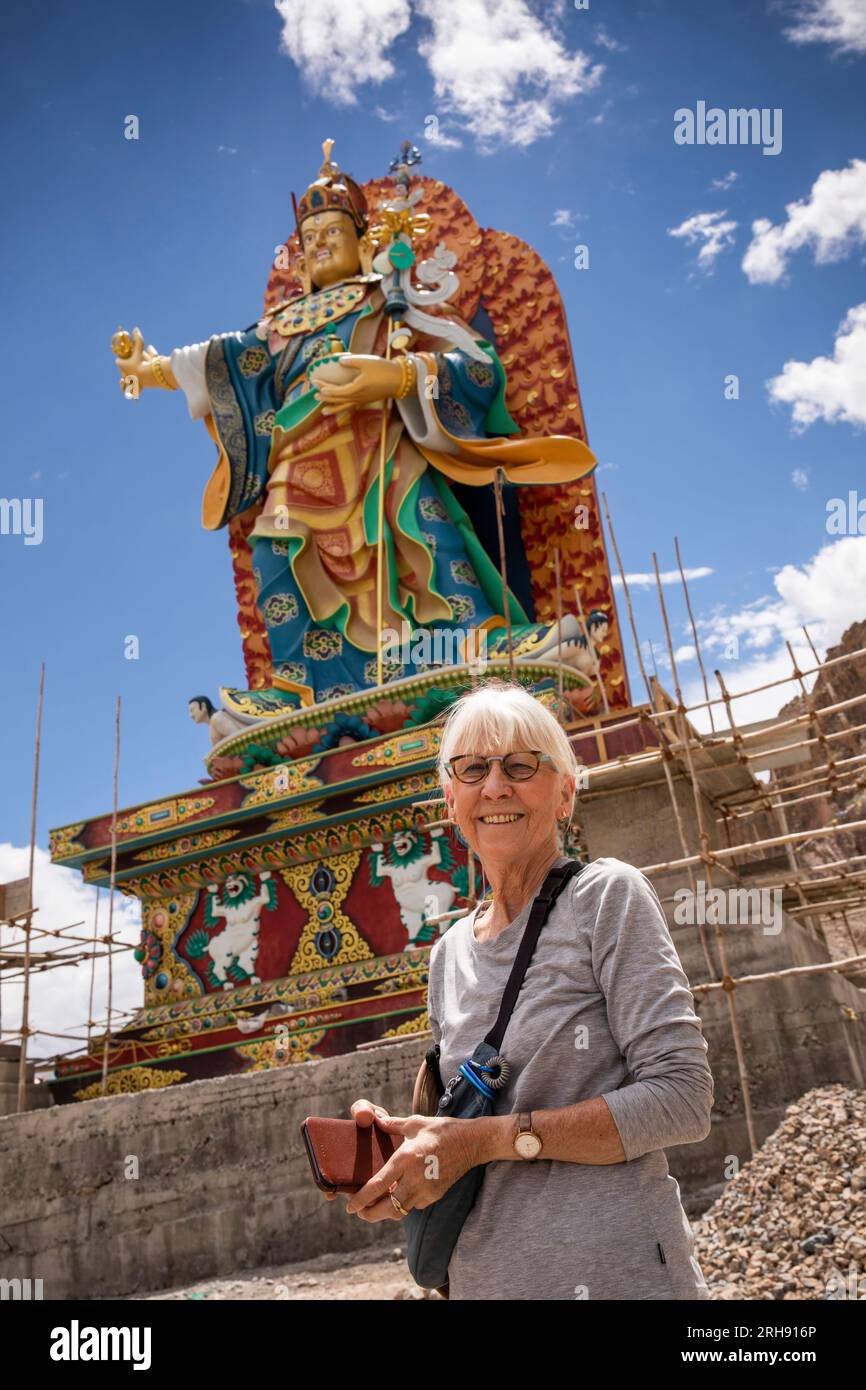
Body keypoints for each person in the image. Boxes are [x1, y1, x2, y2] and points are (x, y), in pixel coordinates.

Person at [113, 141, 597, 708]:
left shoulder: (388, 302)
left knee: (421, 535)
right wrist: (149, 369)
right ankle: (305, 686)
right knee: (276, 549)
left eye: (331, 235)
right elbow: (216, 358)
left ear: (363, 242)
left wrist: (395, 379)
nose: (318, 247)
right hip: (300, 460)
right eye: (308, 240)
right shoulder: (280, 325)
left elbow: (479, 369)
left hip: (382, 449)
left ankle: (476, 645)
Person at [327, 678, 714, 1300]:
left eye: (520, 765)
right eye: (473, 768)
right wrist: (413, 1148)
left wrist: (483, 1141)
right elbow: (465, 1127)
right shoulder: (448, 954)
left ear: (564, 793)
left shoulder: (606, 897)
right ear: (451, 798)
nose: (496, 786)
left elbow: (683, 1100)